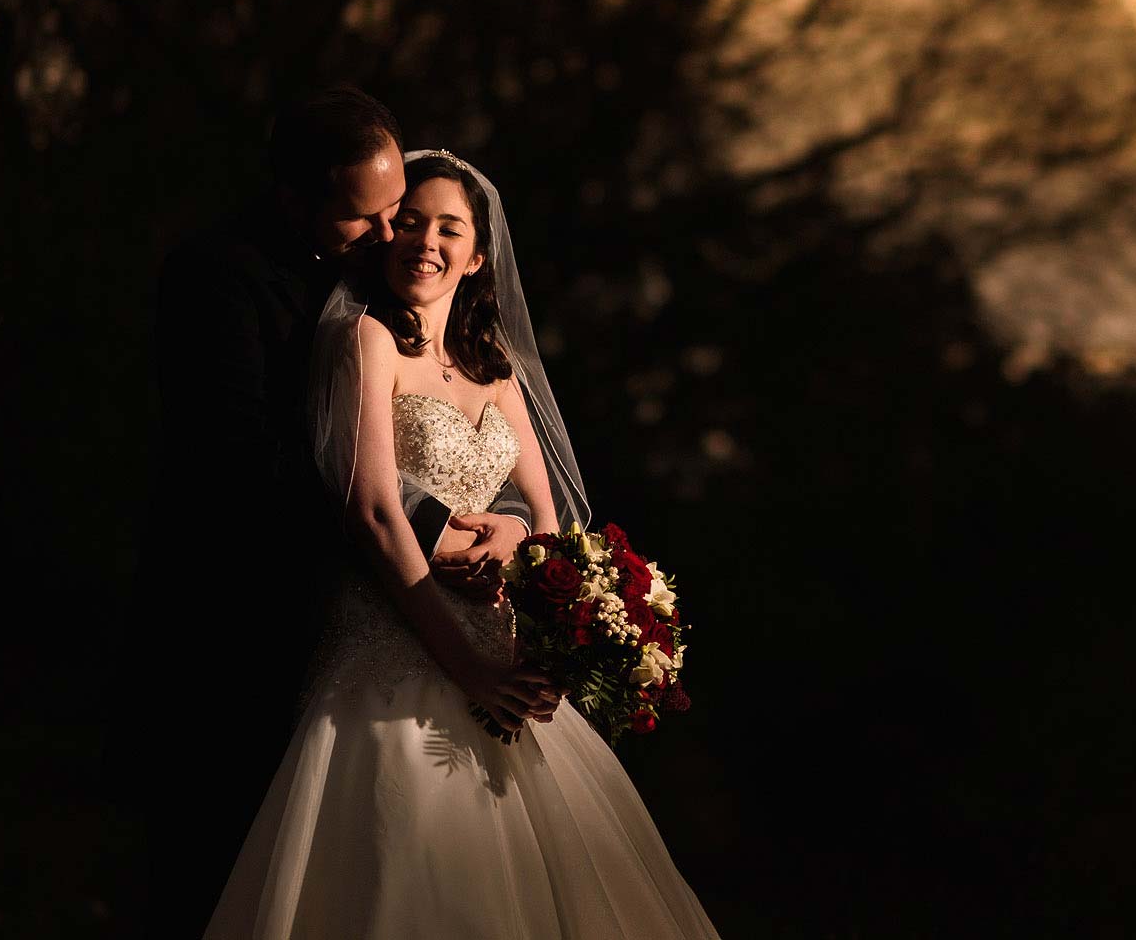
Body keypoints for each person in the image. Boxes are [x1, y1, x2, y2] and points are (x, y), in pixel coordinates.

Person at [203, 149, 722, 939]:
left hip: (504, 660)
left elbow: (550, 529)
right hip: (394, 640)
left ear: (477, 254)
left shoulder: (499, 368)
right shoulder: (365, 341)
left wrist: (516, 539)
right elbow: (374, 511)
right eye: (408, 222)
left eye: (449, 227)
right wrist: (468, 666)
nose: (425, 240)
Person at [142, 90, 534, 938]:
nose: (398, 234)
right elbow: (249, 461)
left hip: (365, 602)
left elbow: (436, 411)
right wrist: (418, 518)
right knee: (233, 870)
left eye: (402, 209)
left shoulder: (366, 268)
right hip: (237, 613)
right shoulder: (218, 277)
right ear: (297, 201)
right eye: (371, 217)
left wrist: (498, 517)